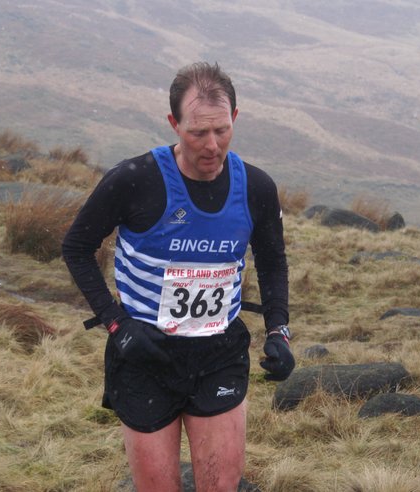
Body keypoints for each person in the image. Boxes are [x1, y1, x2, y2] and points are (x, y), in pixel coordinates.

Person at [62, 61, 294, 492]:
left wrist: (278, 329)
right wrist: (116, 324)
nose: (212, 145)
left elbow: (272, 260)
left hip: (219, 351)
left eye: (222, 130)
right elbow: (76, 248)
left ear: (235, 118)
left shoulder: (255, 187)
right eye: (197, 132)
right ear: (174, 124)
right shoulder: (134, 181)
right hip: (145, 354)